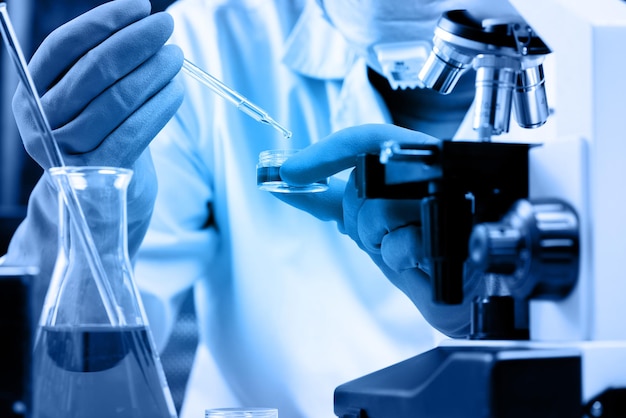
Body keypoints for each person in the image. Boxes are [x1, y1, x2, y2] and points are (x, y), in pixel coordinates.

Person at [2, 0, 523, 417]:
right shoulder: (211, 41)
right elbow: (69, 380)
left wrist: (511, 320)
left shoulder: (593, 53)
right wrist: (92, 202)